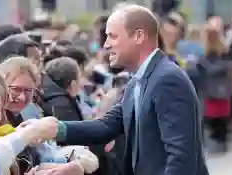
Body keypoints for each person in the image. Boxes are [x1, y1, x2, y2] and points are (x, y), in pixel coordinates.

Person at [35, 4, 209, 175]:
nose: (106, 45)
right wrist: (55, 129)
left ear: (138, 36)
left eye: (113, 36)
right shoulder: (137, 81)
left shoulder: (167, 79)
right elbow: (106, 126)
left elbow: (181, 157)